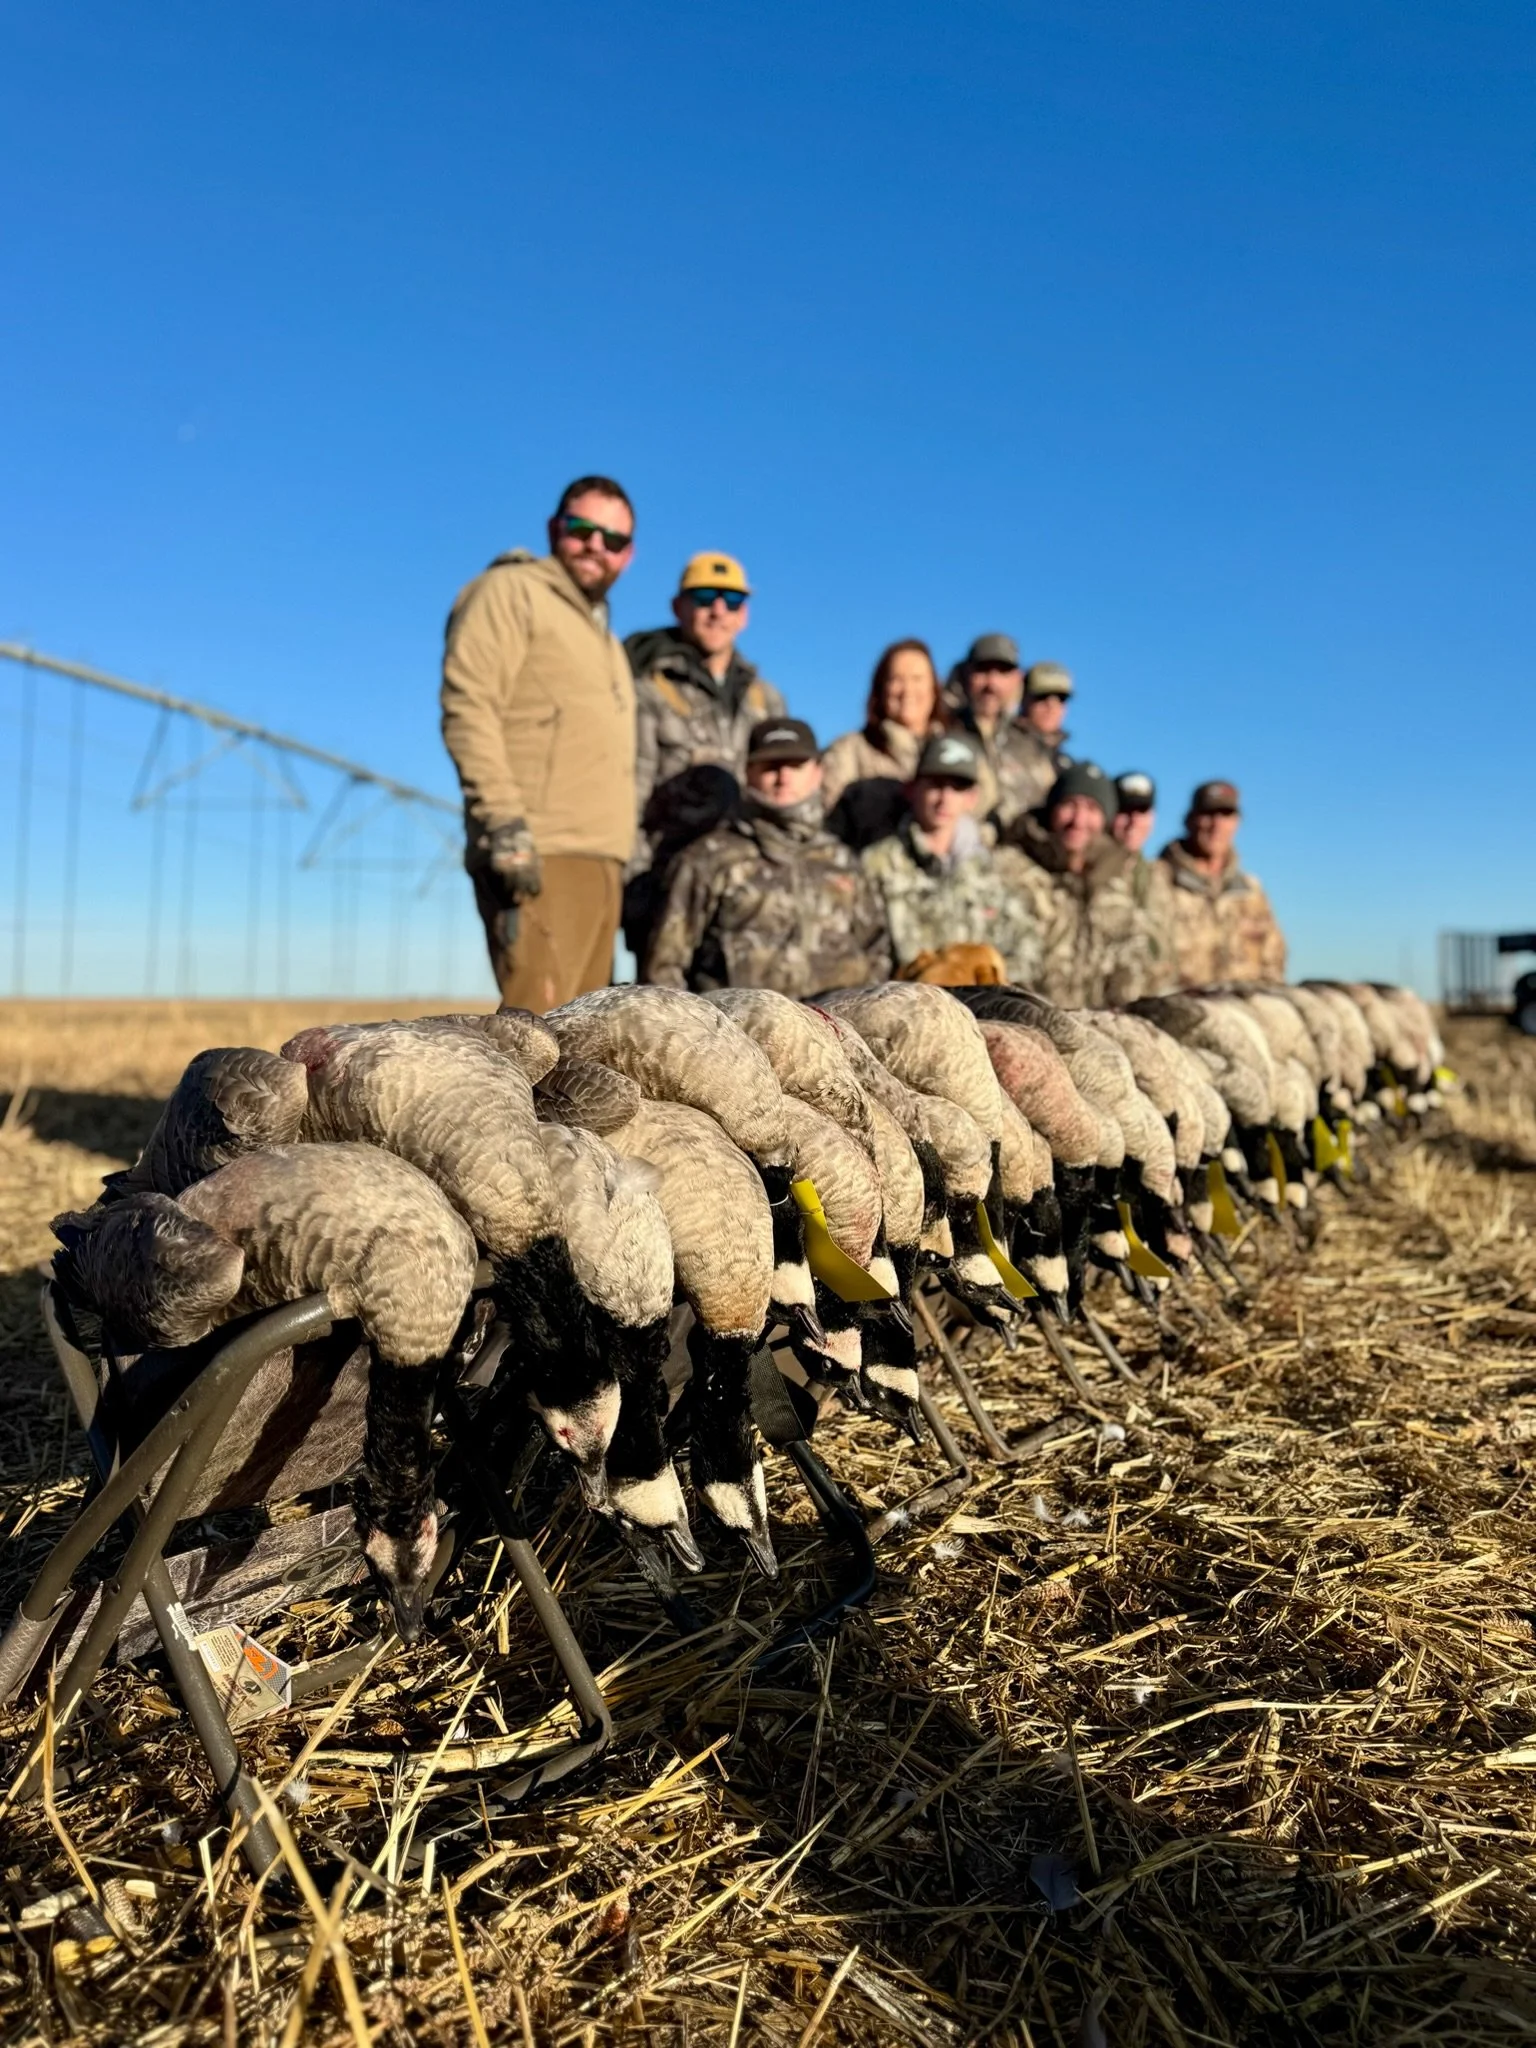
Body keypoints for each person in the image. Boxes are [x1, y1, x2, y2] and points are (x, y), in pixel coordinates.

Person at [441, 475, 636, 1010]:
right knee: (538, 1036)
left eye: (613, 539)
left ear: (629, 555)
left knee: (583, 1046)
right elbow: (469, 704)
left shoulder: (606, 639)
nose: (597, 545)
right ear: (556, 529)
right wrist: (503, 821)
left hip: (602, 857)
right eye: (583, 529)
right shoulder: (509, 592)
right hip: (538, 848)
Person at [644, 718, 891, 996]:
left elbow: (877, 956)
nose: (783, 776)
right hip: (736, 1033)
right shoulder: (707, 860)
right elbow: (663, 969)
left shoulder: (844, 864)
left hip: (834, 1032)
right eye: (770, 766)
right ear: (748, 772)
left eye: (795, 765)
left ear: (818, 773)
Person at [622, 551, 785, 958]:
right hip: (666, 893)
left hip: (745, 901)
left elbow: (779, 801)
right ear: (679, 607)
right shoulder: (648, 687)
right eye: (705, 597)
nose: (718, 611)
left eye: (732, 601)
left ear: (744, 614)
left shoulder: (766, 700)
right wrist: (636, 887)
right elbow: (630, 792)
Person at [861, 732, 1042, 984]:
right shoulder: (876, 863)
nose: (944, 798)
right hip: (902, 1008)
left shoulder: (993, 871)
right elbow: (862, 954)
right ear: (913, 789)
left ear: (972, 798)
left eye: (957, 787)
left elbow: (1029, 947)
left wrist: (987, 974)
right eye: (935, 784)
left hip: (980, 1012)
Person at [1000, 761, 1158, 1006]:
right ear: (1051, 809)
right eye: (1069, 805)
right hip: (1026, 1022)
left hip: (1101, 1028)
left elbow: (1134, 971)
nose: (1079, 820)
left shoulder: (1117, 883)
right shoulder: (1013, 872)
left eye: (1092, 809)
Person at [1157, 780, 1288, 986]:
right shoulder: (1158, 880)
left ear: (1237, 822)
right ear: (1190, 820)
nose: (1216, 825)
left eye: (1226, 815)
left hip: (1240, 1011)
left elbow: (1274, 964)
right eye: (1208, 814)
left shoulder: (1251, 891)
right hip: (1174, 1010)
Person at [821, 639, 949, 849]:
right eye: (896, 679)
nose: (907, 690)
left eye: (917, 679)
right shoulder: (849, 750)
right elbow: (825, 824)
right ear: (880, 689)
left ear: (935, 688)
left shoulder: (960, 752)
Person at [950, 636, 1076, 828]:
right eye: (982, 670)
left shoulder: (1033, 749)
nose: (991, 683)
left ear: (1016, 679)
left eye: (1002, 671)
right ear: (966, 673)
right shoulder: (943, 730)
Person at [1112, 771, 1179, 994]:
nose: (1133, 822)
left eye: (1142, 811)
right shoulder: (1088, 873)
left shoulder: (1160, 876)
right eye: (1124, 811)